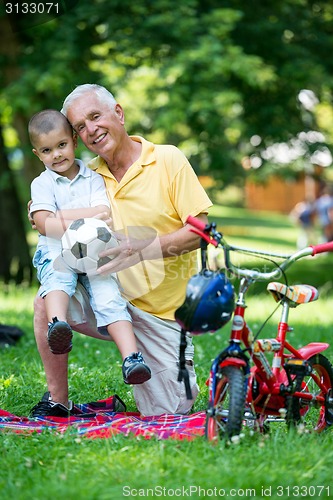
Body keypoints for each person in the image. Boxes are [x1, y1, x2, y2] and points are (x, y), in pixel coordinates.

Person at [30, 84, 212, 417]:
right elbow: (47, 213)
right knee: (47, 298)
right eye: (81, 127)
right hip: (106, 295)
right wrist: (46, 216)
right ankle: (58, 401)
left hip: (161, 315)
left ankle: (147, 365)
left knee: (172, 410)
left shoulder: (168, 159)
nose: (91, 130)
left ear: (119, 113)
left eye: (95, 117)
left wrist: (143, 249)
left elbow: (199, 234)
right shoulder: (85, 176)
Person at [29, 109, 151, 400]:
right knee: (58, 281)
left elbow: (103, 215)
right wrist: (82, 218)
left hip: (94, 254)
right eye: (47, 150)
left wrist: (60, 215)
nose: (57, 155)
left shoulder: (93, 177)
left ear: (73, 140)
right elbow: (46, 227)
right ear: (37, 154)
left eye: (61, 145)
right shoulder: (42, 183)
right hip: (57, 253)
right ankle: (57, 326)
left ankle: (131, 358)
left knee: (109, 296)